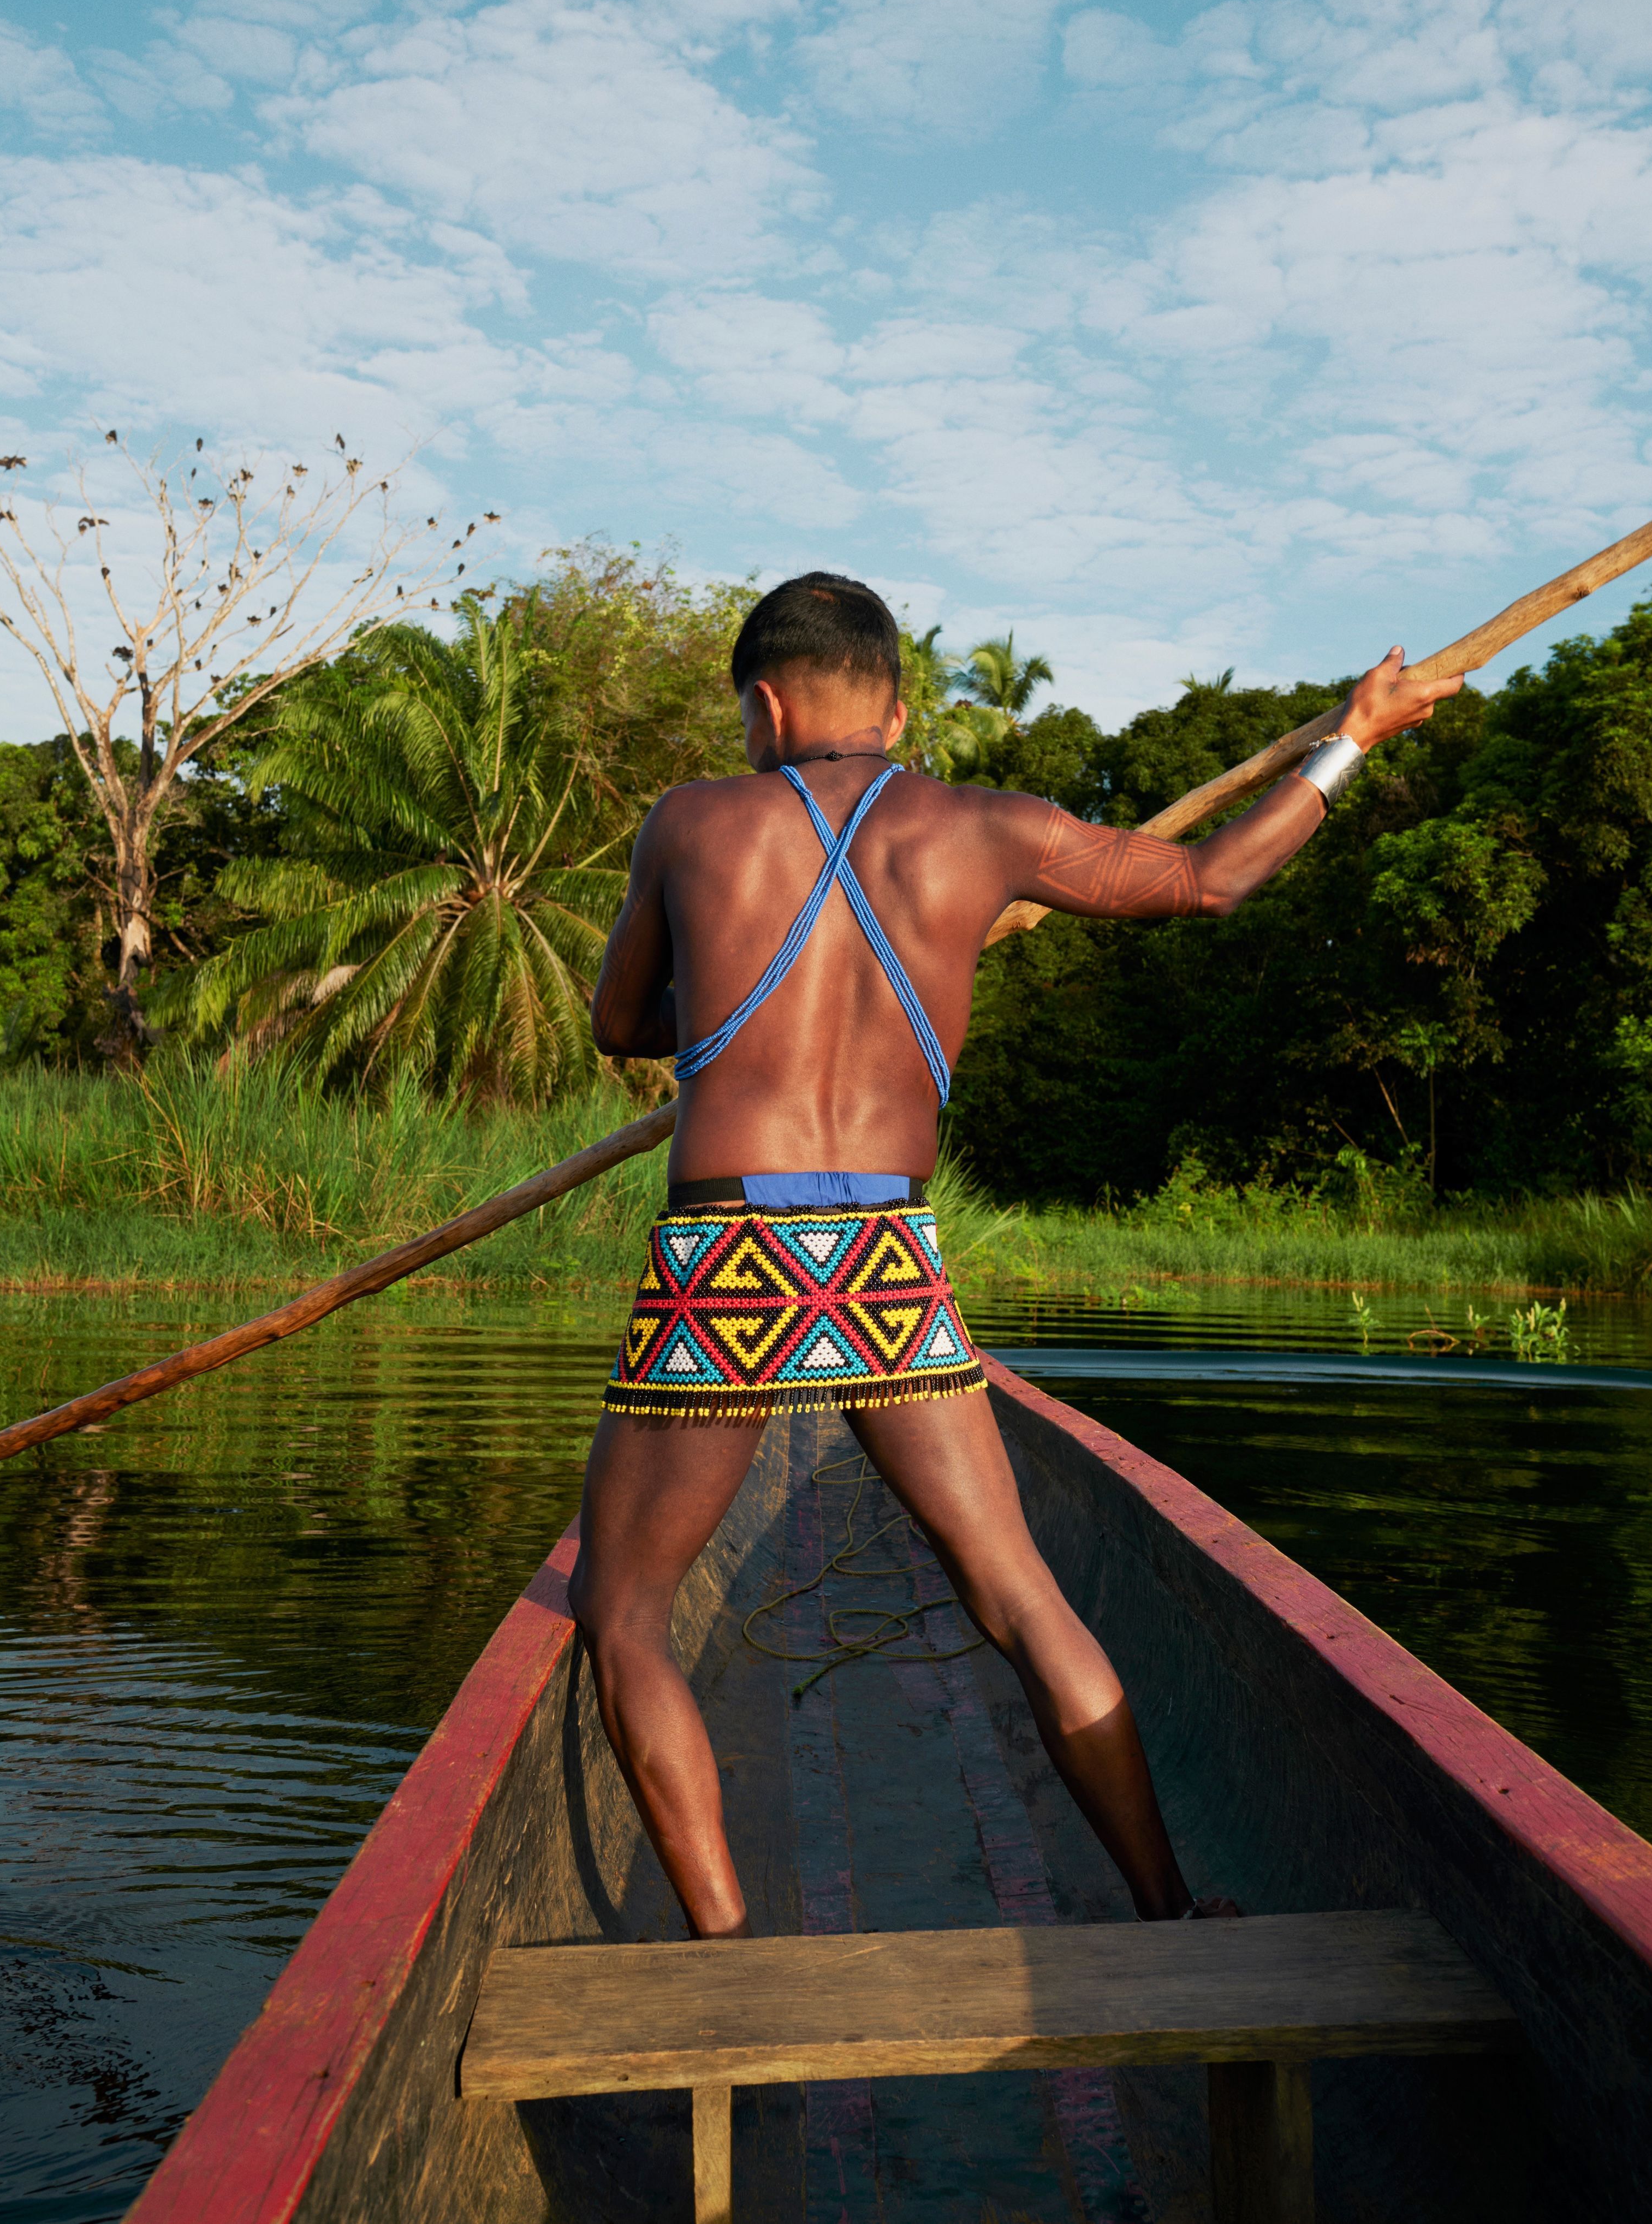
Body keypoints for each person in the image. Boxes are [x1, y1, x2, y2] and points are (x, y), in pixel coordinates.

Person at [576, 572, 1462, 1938]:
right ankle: (1166, 1905)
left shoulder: (692, 820)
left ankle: (724, 1945)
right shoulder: (984, 829)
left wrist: (747, 983)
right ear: (899, 705)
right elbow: (1213, 881)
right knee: (1019, 1591)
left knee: (622, 1607)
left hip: (732, 1248)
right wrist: (1353, 732)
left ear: (764, 704)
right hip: (879, 1249)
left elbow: (621, 1020)